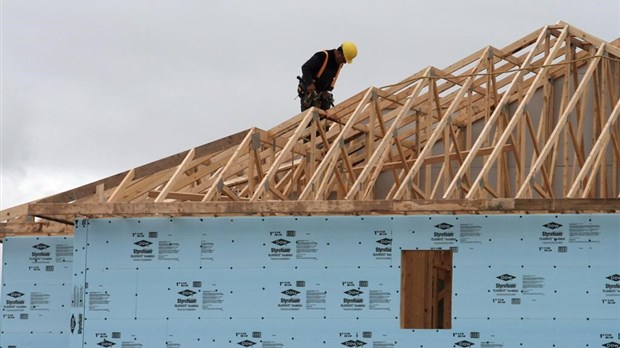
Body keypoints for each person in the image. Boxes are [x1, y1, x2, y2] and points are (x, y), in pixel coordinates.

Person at [297, 41, 358, 112]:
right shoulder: (322, 56)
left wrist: (326, 90)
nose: (344, 62)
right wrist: (310, 83)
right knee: (309, 118)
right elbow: (305, 67)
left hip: (321, 94)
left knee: (327, 118)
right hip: (309, 93)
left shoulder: (338, 64)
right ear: (339, 53)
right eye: (344, 60)